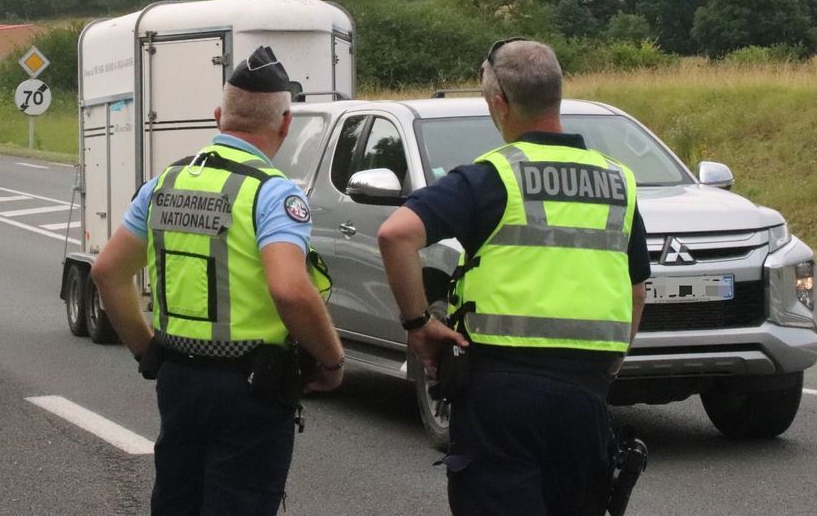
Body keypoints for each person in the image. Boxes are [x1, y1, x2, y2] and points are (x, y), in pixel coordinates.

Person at [377, 38, 650, 516]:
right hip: (585, 394)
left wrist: (419, 325)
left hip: (500, 393)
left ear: (499, 103)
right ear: (557, 95)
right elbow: (636, 289)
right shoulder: (617, 182)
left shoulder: (491, 177)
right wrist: (607, 365)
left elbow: (395, 234)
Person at [91, 45, 346, 516]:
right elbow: (290, 289)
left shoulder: (164, 183)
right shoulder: (273, 194)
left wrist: (148, 351)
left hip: (179, 379)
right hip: (253, 385)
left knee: (177, 501)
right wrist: (331, 362)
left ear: (218, 117)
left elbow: (107, 272)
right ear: (285, 123)